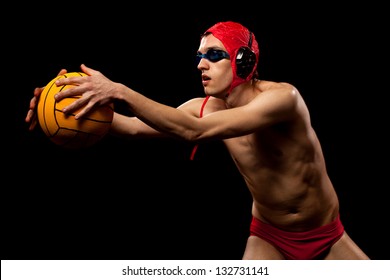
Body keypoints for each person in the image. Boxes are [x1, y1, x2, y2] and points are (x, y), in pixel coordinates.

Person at [25, 21, 369, 260]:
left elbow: (196, 132)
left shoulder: (283, 99)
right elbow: (131, 127)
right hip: (269, 235)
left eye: (214, 55)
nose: (202, 65)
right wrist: (65, 106)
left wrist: (117, 90)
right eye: (199, 57)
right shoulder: (202, 107)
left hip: (325, 235)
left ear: (243, 60)